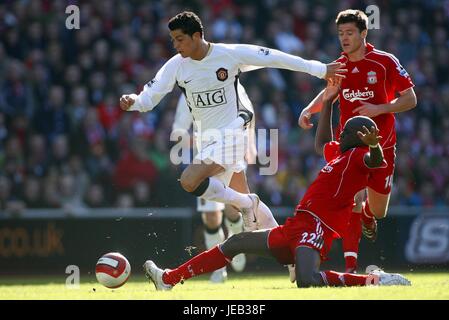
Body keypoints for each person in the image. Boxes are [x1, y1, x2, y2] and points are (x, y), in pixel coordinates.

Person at [142, 79, 411, 290]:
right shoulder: (339, 154)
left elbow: (375, 162)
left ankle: (373, 280)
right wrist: (328, 100)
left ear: (356, 137)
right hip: (296, 226)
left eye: (345, 131)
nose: (339, 134)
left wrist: (375, 146)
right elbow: (321, 143)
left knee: (307, 280)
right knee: (235, 243)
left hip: (316, 228)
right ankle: (168, 278)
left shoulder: (359, 158)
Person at [120, 11, 346, 233]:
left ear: (197, 36)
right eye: (173, 41)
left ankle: (247, 205)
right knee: (240, 203)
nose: (176, 46)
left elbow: (274, 57)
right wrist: (135, 101)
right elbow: (151, 96)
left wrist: (320, 69)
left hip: (232, 134)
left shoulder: (228, 54)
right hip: (206, 141)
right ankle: (287, 253)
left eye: (180, 39)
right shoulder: (176, 65)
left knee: (189, 181)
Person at [297, 9, 416, 273]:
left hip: (381, 147)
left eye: (350, 33)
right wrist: (308, 110)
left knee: (379, 210)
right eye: (341, 33)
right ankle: (351, 266)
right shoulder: (339, 66)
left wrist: (379, 108)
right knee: (353, 197)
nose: (344, 38)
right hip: (349, 147)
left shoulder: (384, 62)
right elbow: (327, 93)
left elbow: (410, 99)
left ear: (364, 33)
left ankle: (368, 215)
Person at [172, 94, 249, 283]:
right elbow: (178, 131)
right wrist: (200, 140)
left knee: (234, 208)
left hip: (232, 154)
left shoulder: (233, 85)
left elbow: (248, 116)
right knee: (211, 217)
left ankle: (237, 236)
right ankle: (218, 268)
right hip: (206, 160)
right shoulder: (189, 91)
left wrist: (250, 146)